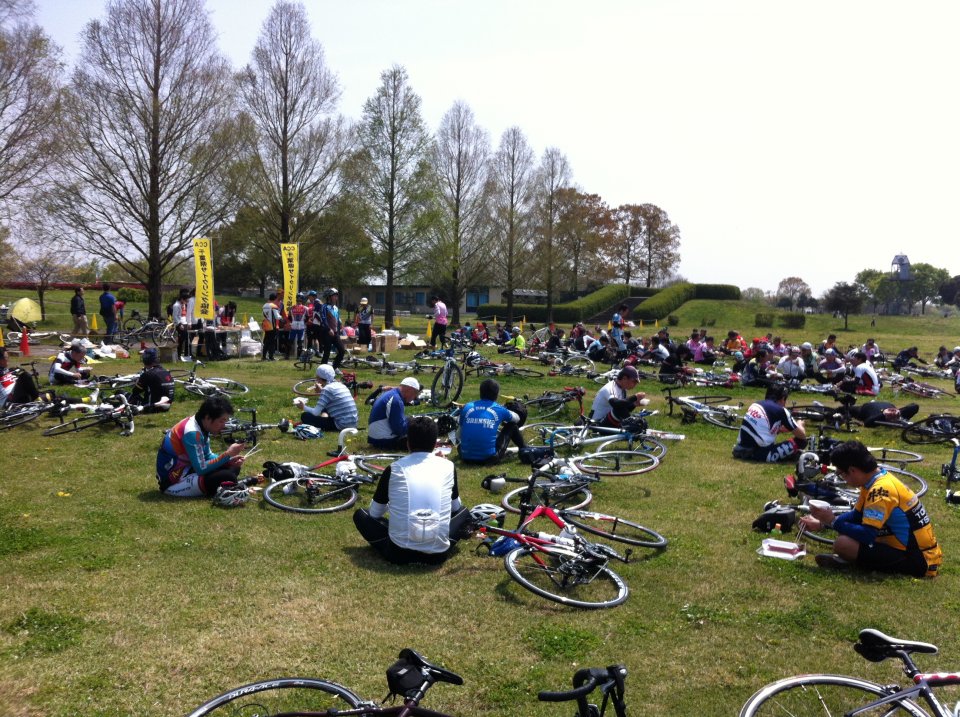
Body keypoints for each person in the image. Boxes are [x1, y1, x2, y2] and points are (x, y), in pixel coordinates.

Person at [799, 441, 942, 577]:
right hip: (920, 553)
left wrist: (833, 521)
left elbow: (867, 534)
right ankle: (852, 561)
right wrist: (824, 522)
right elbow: (856, 516)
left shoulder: (880, 491)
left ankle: (850, 562)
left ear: (852, 470)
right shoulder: (876, 479)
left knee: (843, 544)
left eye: (841, 474)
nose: (843, 479)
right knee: (846, 536)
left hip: (918, 560)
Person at [353, 416, 470, 565]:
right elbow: (456, 508)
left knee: (360, 515)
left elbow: (375, 513)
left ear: (408, 443)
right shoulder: (448, 467)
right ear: (435, 444)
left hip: (398, 554)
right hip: (437, 556)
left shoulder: (394, 469)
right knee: (464, 512)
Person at [156, 396, 247, 497]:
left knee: (233, 467)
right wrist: (227, 454)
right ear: (208, 417)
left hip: (187, 469)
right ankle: (227, 485)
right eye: (221, 421)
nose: (224, 425)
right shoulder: (192, 433)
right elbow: (201, 469)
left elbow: (207, 455)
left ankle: (227, 484)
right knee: (227, 475)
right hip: (172, 481)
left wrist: (229, 460)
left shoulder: (200, 424)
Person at [458, 378, 527, 463]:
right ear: (497, 395)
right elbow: (517, 418)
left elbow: (459, 435)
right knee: (511, 426)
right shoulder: (498, 408)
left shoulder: (467, 407)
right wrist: (506, 411)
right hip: (489, 458)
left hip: (465, 457)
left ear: (480, 392)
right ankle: (524, 448)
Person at [733, 383, 806, 463]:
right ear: (782, 399)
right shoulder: (781, 410)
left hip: (740, 447)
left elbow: (765, 428)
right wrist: (800, 424)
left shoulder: (756, 404)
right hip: (760, 453)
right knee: (801, 442)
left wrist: (783, 429)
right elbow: (802, 435)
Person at [294, 364, 358, 431]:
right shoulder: (341, 385)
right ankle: (325, 419)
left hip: (341, 425)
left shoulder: (327, 389)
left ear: (319, 377)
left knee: (305, 416)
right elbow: (332, 399)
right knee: (324, 408)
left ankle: (324, 423)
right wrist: (322, 392)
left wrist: (303, 407)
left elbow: (316, 412)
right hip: (353, 424)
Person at [368, 376, 421, 450]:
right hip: (384, 441)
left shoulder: (390, 394)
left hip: (374, 438)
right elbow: (399, 430)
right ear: (409, 389)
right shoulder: (396, 400)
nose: (414, 397)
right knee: (421, 436)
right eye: (415, 394)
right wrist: (413, 423)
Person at [130, 347, 174, 413]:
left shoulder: (147, 374)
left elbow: (135, 391)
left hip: (150, 408)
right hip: (166, 407)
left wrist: (139, 380)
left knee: (122, 393)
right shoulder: (166, 372)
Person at [319, 287, 345, 368]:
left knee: (342, 350)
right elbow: (323, 319)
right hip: (326, 332)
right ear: (329, 297)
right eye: (334, 296)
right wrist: (328, 329)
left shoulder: (336, 308)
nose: (336, 297)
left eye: (337, 296)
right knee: (327, 352)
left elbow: (337, 319)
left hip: (335, 333)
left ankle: (334, 368)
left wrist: (340, 325)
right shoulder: (324, 306)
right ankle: (322, 371)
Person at [847, 400, 919, 428]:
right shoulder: (880, 419)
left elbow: (915, 406)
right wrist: (884, 415)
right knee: (850, 409)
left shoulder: (899, 414)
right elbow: (867, 423)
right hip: (867, 407)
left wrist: (898, 412)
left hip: (887, 405)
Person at [171, 290, 192, 362]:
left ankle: (186, 355)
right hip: (180, 325)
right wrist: (179, 324)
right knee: (181, 340)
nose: (187, 301)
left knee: (186, 339)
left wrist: (188, 323)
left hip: (184, 323)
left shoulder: (181, 304)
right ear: (182, 299)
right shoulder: (176, 305)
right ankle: (179, 355)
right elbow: (175, 316)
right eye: (186, 300)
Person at [287, 293, 308, 360]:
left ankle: (287, 356)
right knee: (300, 341)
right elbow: (307, 317)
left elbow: (289, 317)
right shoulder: (305, 308)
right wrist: (303, 322)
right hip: (301, 325)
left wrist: (293, 321)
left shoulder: (292, 307)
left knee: (290, 340)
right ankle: (299, 356)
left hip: (294, 324)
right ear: (302, 300)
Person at [261, 292, 281, 361]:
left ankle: (263, 356)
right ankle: (271, 357)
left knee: (266, 341)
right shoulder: (273, 306)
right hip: (272, 326)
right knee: (272, 342)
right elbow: (277, 316)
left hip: (266, 325)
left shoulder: (264, 305)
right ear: (275, 299)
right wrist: (282, 318)